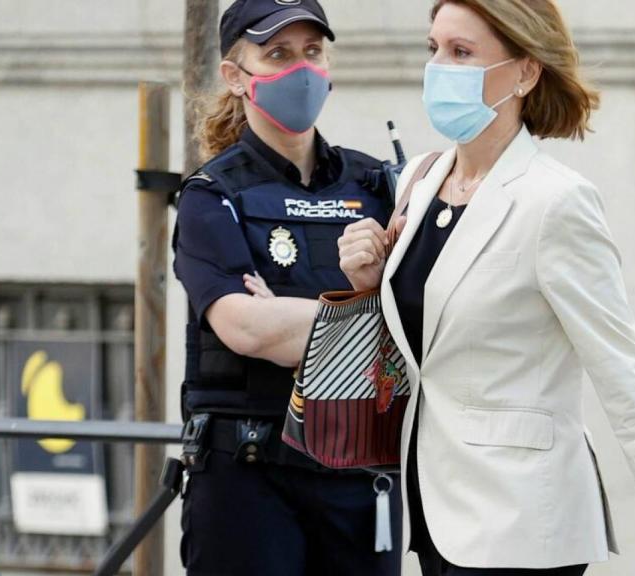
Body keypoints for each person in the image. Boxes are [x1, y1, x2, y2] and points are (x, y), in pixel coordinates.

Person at [337, 1, 635, 575]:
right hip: (434, 512)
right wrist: (369, 285)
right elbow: (423, 352)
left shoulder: (556, 202)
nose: (439, 68)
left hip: (521, 522)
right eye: (434, 49)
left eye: (462, 52)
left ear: (525, 72)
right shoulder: (420, 180)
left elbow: (629, 384)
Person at [171, 0, 401, 574]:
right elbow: (246, 328)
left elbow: (426, 327)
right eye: (276, 54)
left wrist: (293, 319)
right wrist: (371, 316)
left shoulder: (378, 184)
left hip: (356, 473)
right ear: (235, 76)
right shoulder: (211, 195)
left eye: (312, 52)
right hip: (248, 476)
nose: (300, 69)